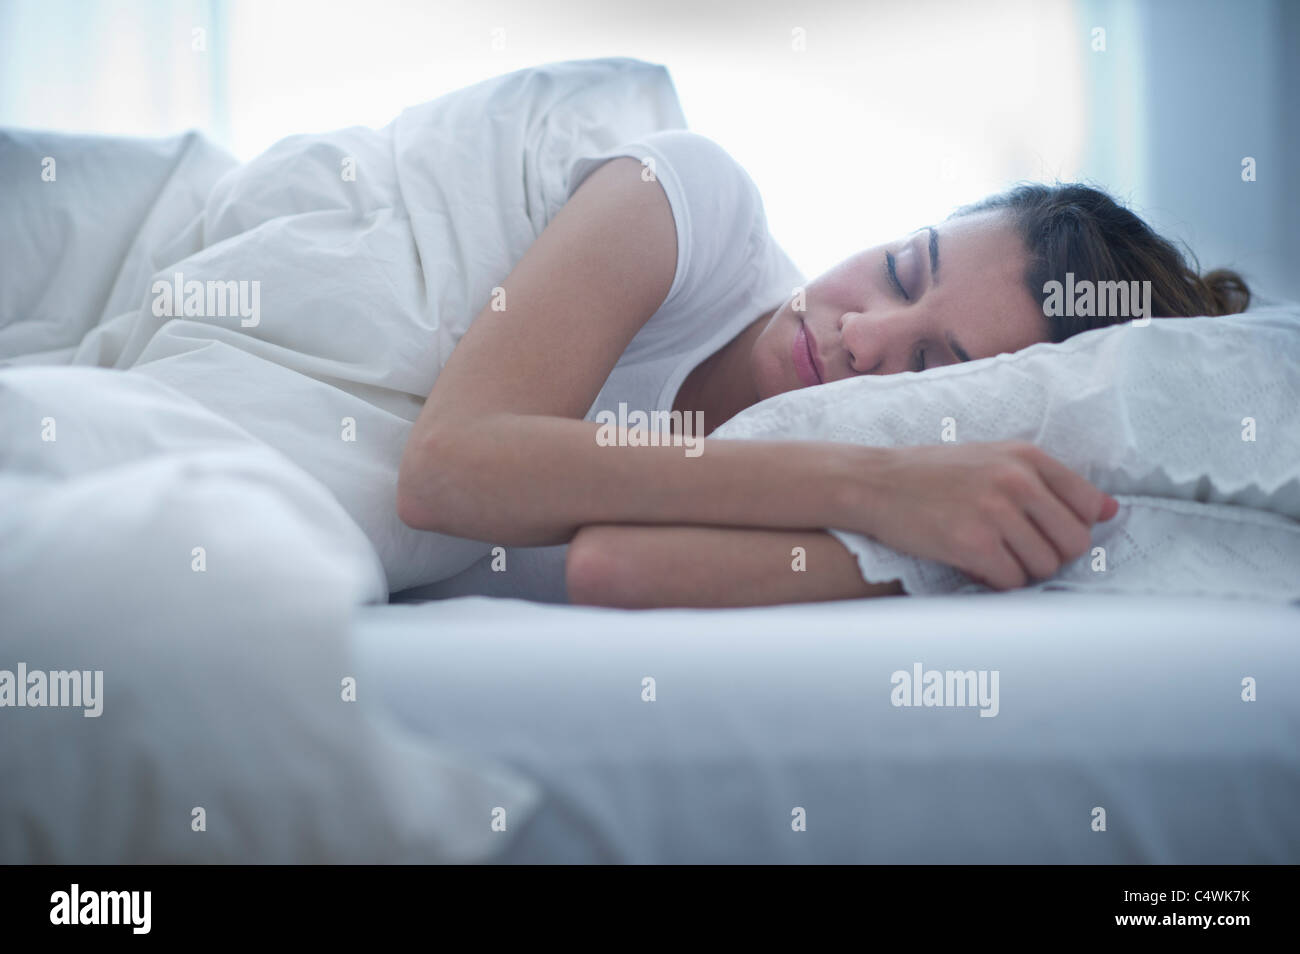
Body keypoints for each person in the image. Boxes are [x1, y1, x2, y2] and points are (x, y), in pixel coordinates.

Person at [396, 130, 1250, 608]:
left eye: (927, 370)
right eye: (901, 270)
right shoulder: (693, 207)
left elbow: (607, 564)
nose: (867, 337)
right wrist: (873, 487)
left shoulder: (833, 494)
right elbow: (446, 470)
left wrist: (938, 525)